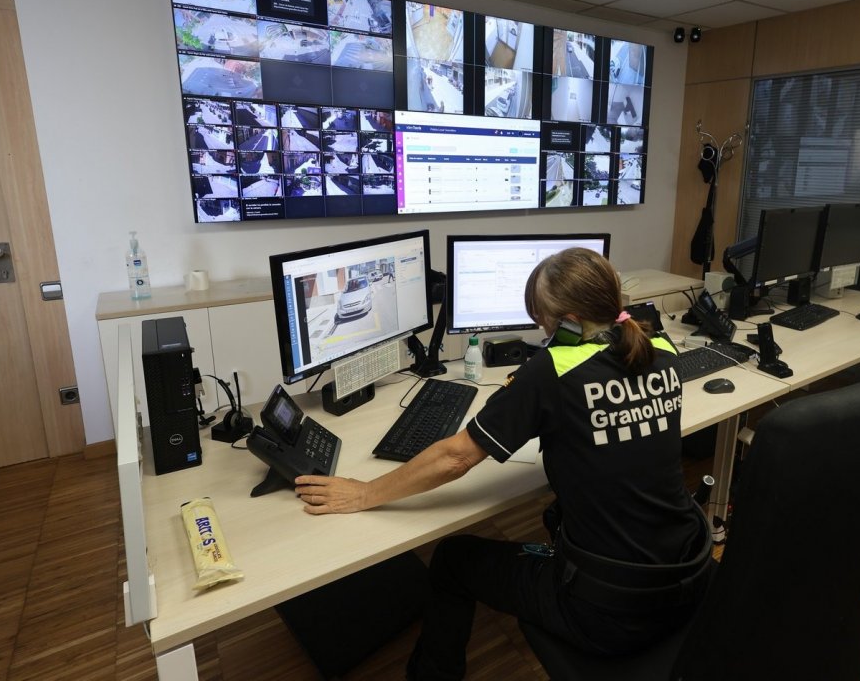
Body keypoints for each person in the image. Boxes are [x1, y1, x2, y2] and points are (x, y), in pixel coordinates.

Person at [294, 248, 711, 680]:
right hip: (687, 575)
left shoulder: (553, 371)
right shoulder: (660, 349)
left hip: (610, 613)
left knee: (454, 557)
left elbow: (456, 458)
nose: (540, 327)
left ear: (568, 318)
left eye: (544, 318)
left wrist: (364, 493)